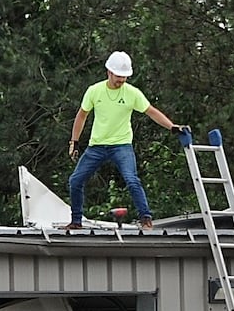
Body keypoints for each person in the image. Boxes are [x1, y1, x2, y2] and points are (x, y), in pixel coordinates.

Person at [67, 51, 183, 231]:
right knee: (75, 180)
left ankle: (145, 218)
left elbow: (151, 111)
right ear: (109, 72)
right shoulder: (94, 91)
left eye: (125, 77)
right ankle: (76, 221)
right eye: (119, 76)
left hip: (121, 145)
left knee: (131, 179)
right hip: (97, 145)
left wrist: (172, 126)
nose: (122, 80)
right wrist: (74, 141)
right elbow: (81, 116)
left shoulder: (132, 93)